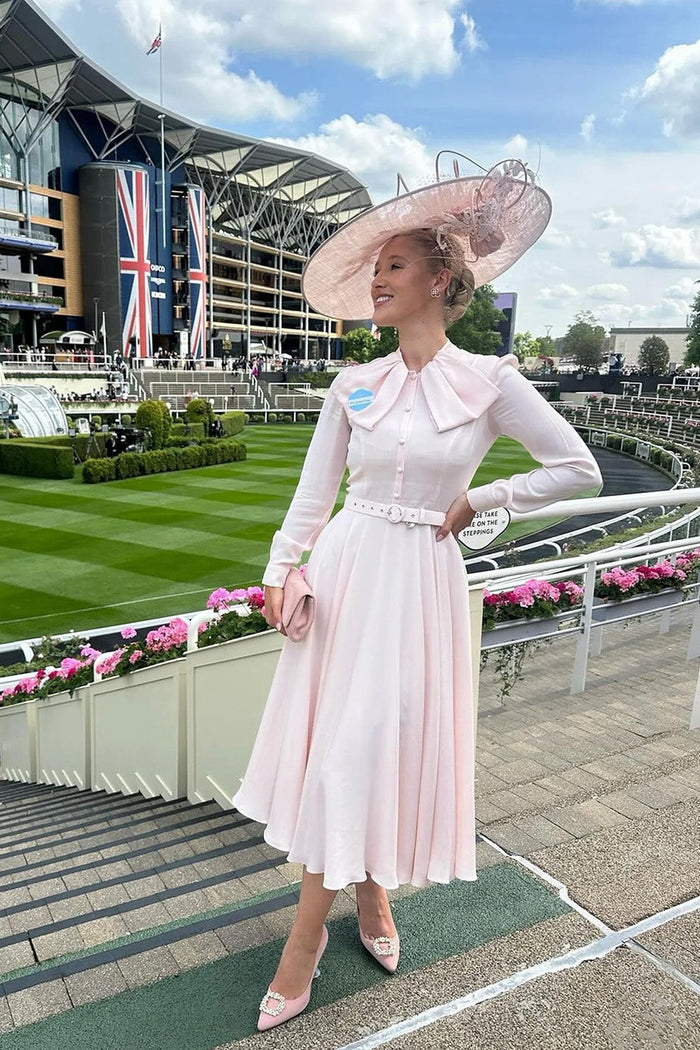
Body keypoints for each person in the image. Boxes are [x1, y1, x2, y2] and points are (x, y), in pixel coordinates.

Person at [230, 155, 602, 1031]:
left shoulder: (494, 382)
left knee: (375, 742)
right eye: (375, 270)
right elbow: (313, 496)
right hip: (347, 575)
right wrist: (281, 572)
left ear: (441, 277)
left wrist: (485, 498)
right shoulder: (350, 383)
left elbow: (575, 469)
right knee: (345, 746)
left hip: (422, 582)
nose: (377, 282)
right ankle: (354, 912)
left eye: (393, 267)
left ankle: (326, 929)